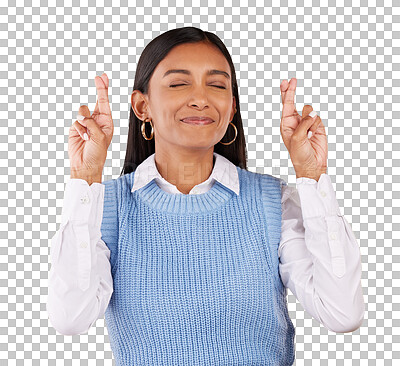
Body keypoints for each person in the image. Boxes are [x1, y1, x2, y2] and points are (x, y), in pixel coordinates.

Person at [46, 26, 364, 365]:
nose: (201, 98)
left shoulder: (274, 204)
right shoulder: (106, 208)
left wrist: (311, 174)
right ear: (142, 106)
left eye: (216, 85)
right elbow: (70, 319)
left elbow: (342, 313)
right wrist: (86, 178)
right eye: (179, 83)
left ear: (231, 109)